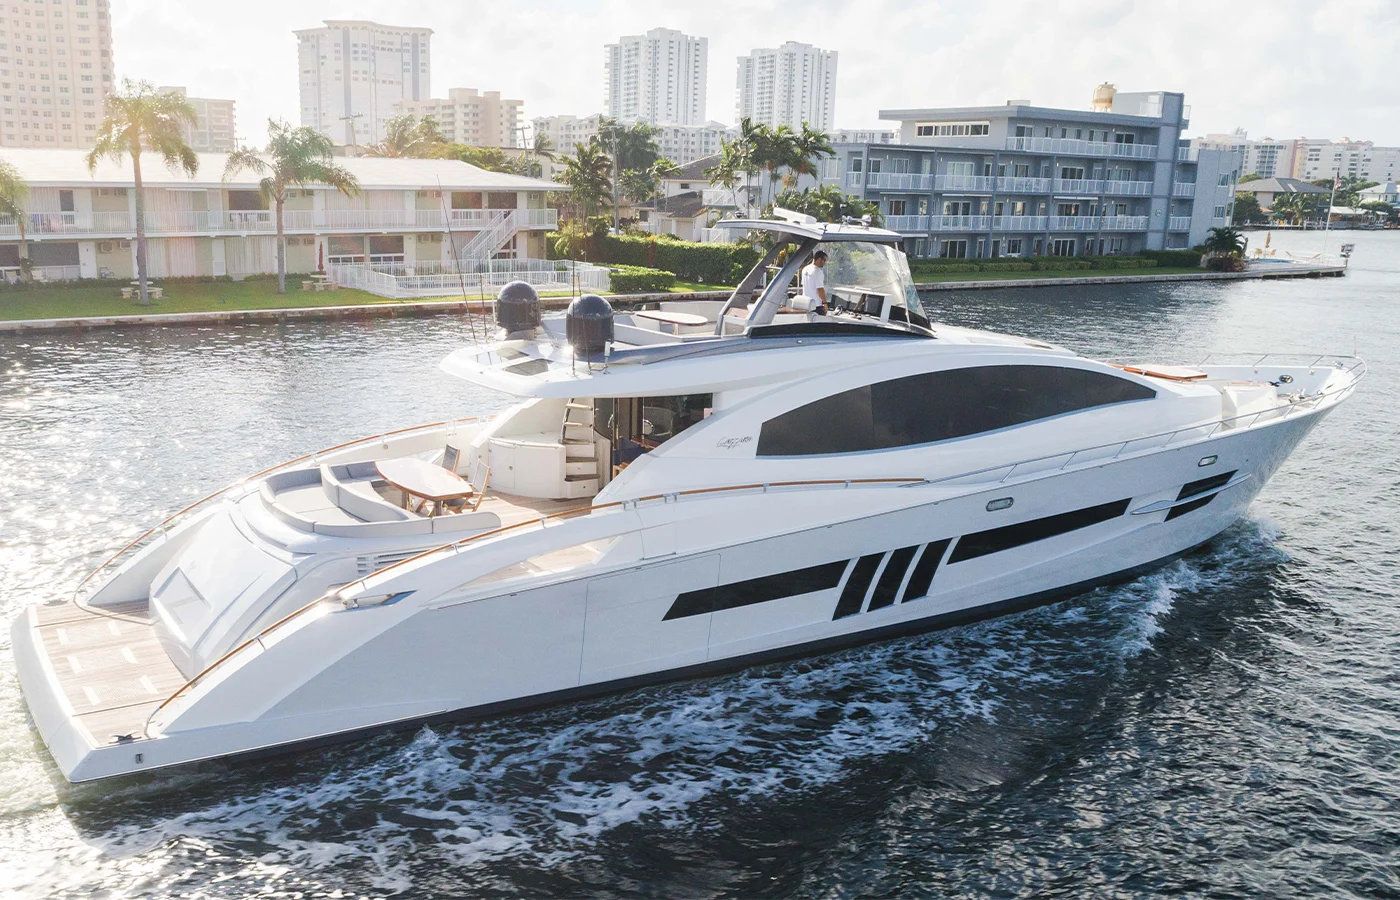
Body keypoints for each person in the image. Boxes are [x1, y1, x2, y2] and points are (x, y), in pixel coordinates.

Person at [799, 250, 827, 315]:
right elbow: (820, 289)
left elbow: (804, 284)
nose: (825, 263)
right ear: (819, 259)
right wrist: (825, 303)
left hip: (805, 303)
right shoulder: (818, 271)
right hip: (816, 305)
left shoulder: (805, 269)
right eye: (824, 260)